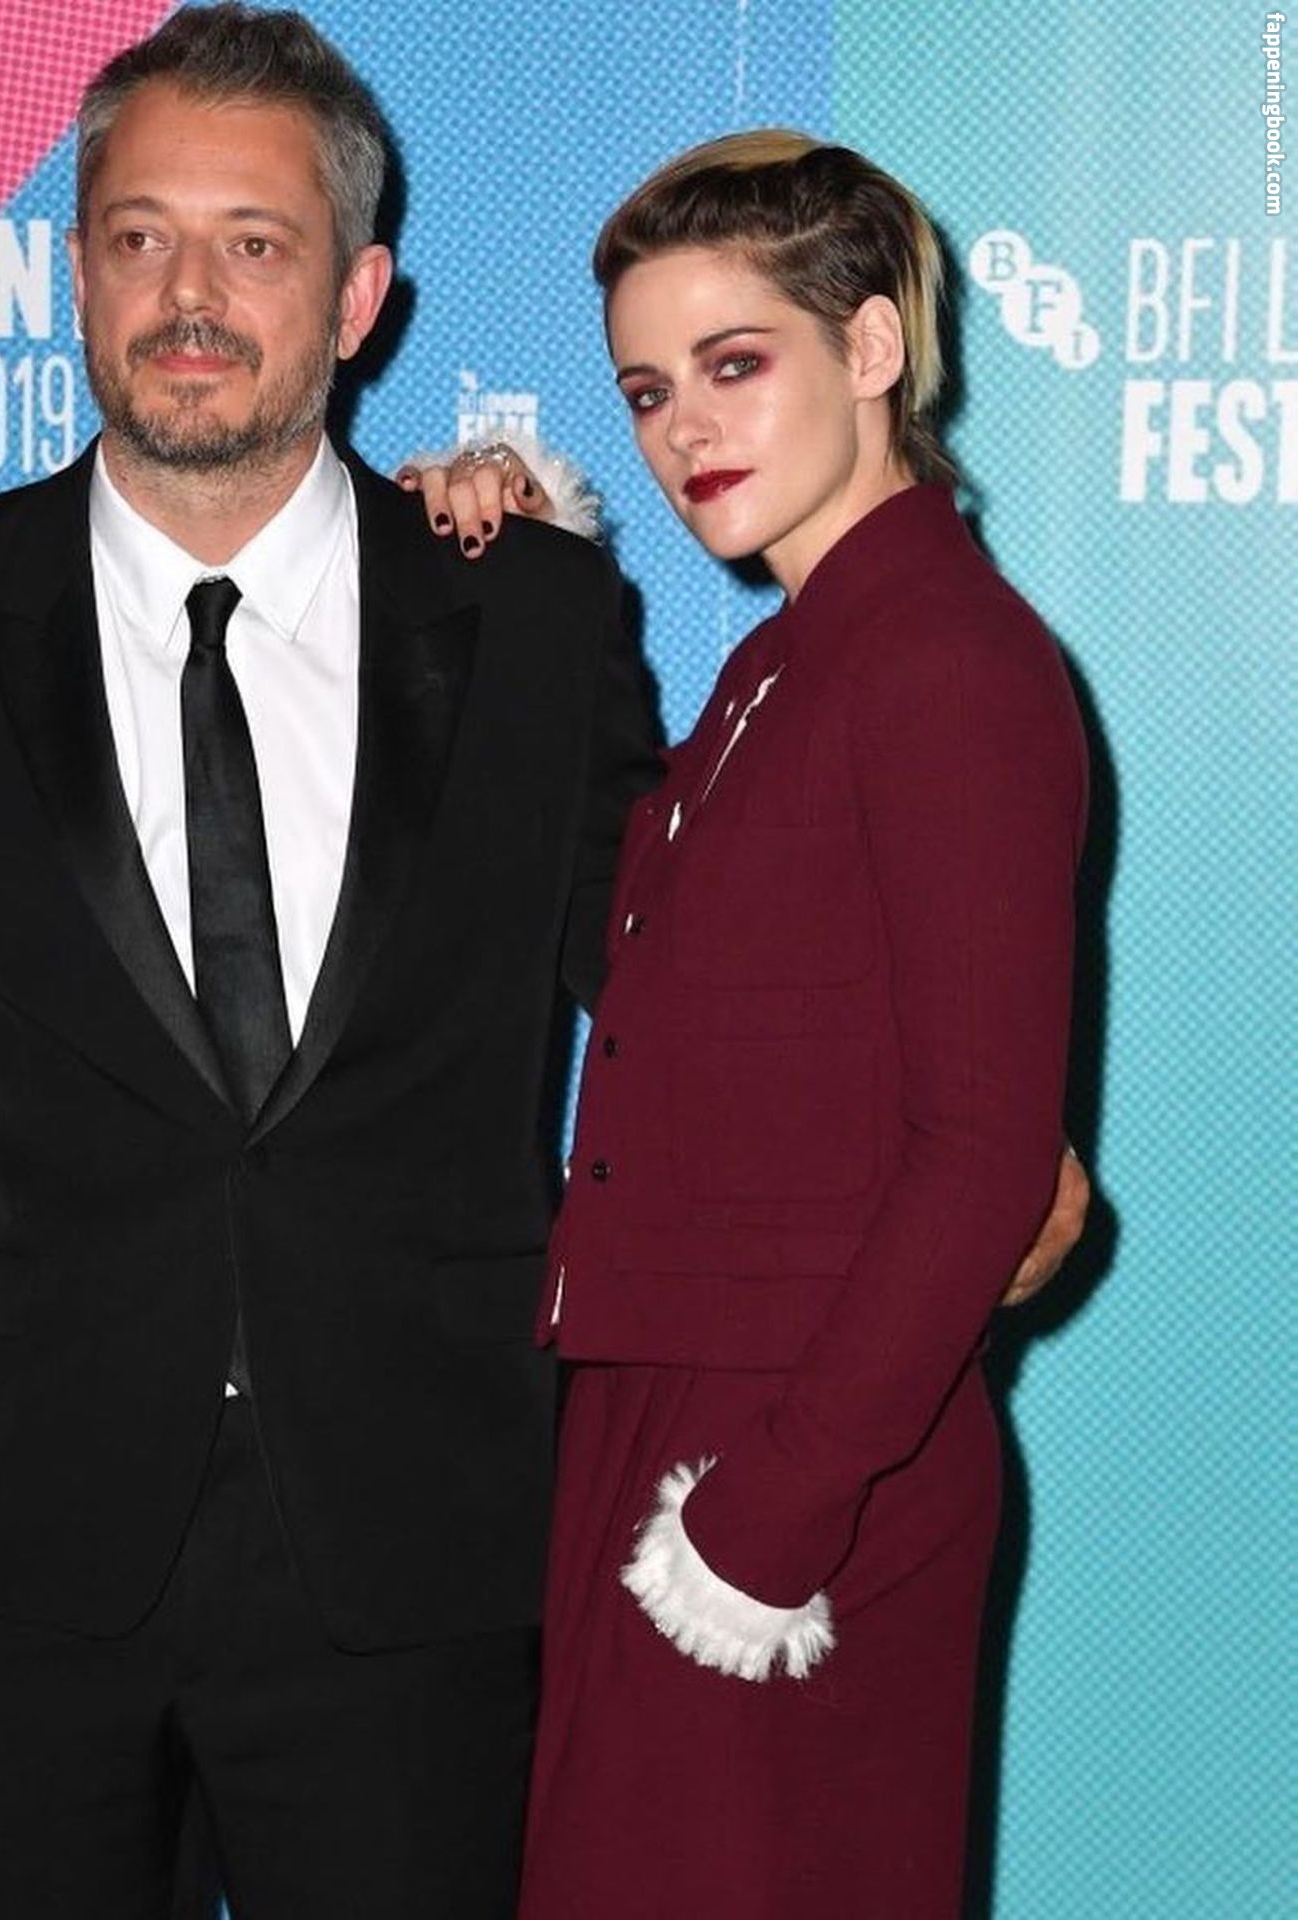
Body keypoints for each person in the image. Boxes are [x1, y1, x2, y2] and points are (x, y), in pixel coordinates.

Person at [0, 8, 660, 1916]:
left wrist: (937, 1128)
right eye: (139, 235)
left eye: (255, 243)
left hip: (419, 1561)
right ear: (76, 273)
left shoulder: (536, 619)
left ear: (359, 297)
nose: (190, 296)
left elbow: (680, 1006)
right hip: (0, 1570)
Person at [410, 131, 1090, 1917]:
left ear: (871, 346)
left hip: (798, 1466)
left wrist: (767, 1516)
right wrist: (541, 573)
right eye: (647, 390)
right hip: (679, 1426)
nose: (682, 431)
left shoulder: (946, 662)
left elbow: (986, 1158)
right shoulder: (791, 660)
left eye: (733, 364)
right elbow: (639, 951)